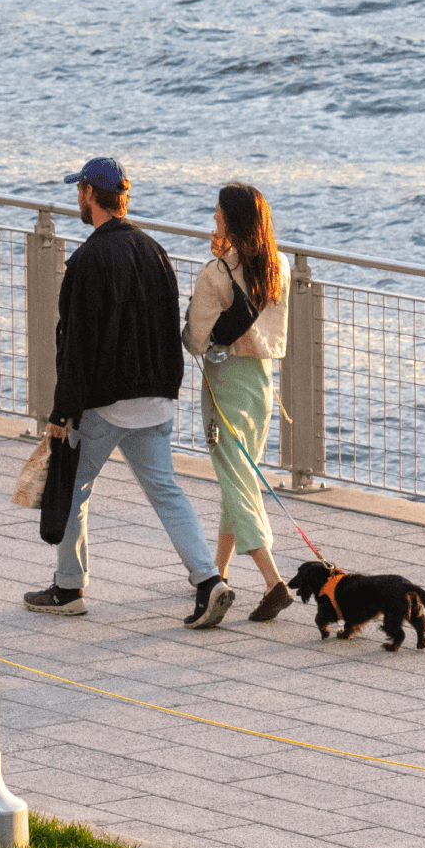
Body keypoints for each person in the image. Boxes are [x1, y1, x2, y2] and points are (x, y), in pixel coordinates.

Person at [23, 155, 231, 629]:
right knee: (166, 490)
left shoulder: (88, 260)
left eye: (80, 190)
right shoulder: (155, 251)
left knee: (74, 488)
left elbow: (76, 343)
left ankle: (69, 587)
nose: (78, 196)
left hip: (107, 402)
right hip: (156, 397)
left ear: (90, 195)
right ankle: (208, 581)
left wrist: (63, 411)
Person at [182, 181, 293, 623]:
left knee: (236, 481)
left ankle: (272, 581)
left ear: (231, 221)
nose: (213, 219)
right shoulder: (278, 265)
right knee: (241, 475)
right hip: (262, 383)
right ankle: (219, 571)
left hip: (225, 382)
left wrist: (216, 261)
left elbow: (195, 338)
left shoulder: (216, 274)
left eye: (217, 215)